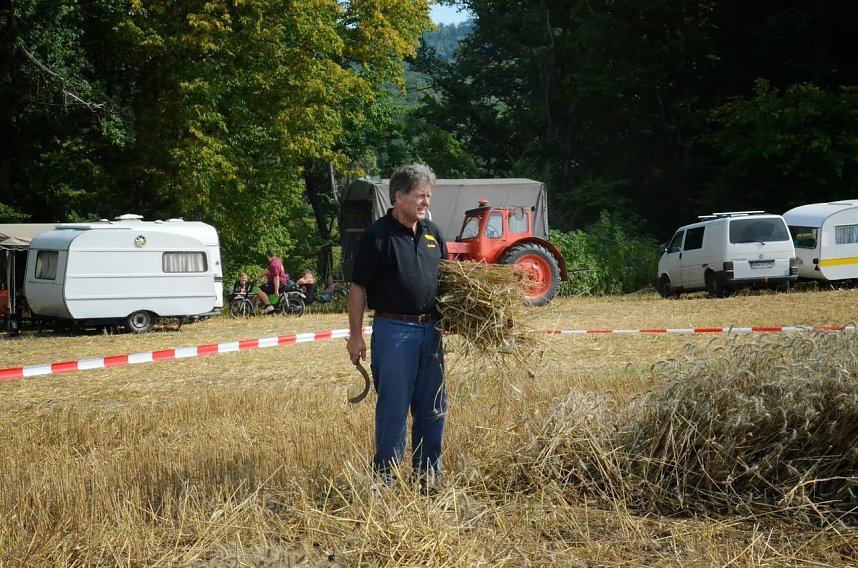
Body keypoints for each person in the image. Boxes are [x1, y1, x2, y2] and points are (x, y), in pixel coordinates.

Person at [346, 163, 448, 486]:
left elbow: (447, 281)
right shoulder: (378, 236)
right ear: (398, 197)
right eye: (420, 196)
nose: (426, 202)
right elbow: (358, 288)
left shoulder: (434, 234)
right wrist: (355, 336)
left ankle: (427, 477)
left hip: (431, 332)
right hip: (394, 333)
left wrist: (452, 317)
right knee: (393, 408)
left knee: (434, 405)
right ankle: (385, 479)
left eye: (429, 196)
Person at [257, 250, 288, 314]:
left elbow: (276, 277)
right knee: (264, 288)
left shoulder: (274, 265)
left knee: (258, 289)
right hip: (283, 282)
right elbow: (267, 270)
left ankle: (269, 306)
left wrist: (276, 290)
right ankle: (266, 306)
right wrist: (257, 277)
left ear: (268, 256)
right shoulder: (278, 261)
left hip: (278, 283)